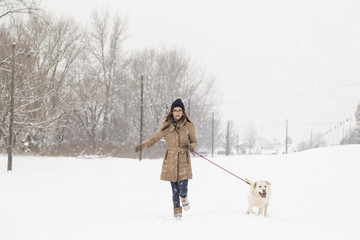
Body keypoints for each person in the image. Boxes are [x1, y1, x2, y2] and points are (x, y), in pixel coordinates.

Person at [135, 98, 197, 219]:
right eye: (175, 110)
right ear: (172, 112)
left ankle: (184, 196)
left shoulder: (189, 125)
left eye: (180, 110)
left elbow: (194, 141)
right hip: (170, 160)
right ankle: (177, 214)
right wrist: (143, 146)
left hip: (184, 159)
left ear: (183, 112)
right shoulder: (166, 126)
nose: (177, 113)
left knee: (182, 188)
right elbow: (155, 139)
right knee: (174, 189)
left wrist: (192, 147)